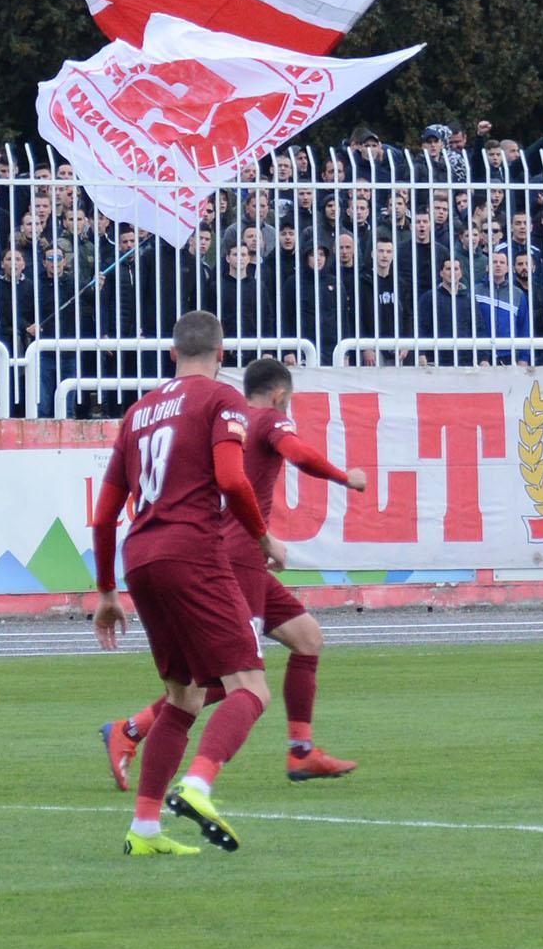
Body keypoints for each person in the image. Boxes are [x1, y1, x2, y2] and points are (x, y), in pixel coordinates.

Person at [102, 358, 371, 794]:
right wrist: (346, 478)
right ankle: (132, 730)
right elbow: (298, 453)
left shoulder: (222, 418)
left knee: (308, 639)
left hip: (234, 556)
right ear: (281, 396)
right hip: (236, 558)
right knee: (235, 678)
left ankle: (301, 751)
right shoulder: (266, 419)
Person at [90, 311, 284, 856]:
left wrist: (106, 593)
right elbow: (230, 477)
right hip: (192, 551)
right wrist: (262, 536)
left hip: (140, 559)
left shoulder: (140, 411)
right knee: (251, 686)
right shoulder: (221, 401)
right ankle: (198, 786)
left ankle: (145, 829)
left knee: (184, 696)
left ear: (172, 354)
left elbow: (105, 515)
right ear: (222, 355)